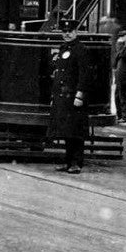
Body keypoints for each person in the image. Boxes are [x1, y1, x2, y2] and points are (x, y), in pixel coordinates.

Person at [47, 19, 92, 174]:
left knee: (76, 131)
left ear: (76, 32)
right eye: (64, 32)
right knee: (66, 130)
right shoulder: (63, 48)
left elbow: (84, 75)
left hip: (74, 97)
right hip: (62, 97)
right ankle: (67, 162)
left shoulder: (81, 49)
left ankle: (76, 163)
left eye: (70, 31)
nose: (66, 34)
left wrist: (79, 95)